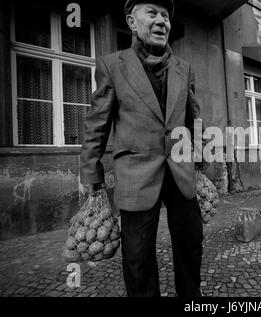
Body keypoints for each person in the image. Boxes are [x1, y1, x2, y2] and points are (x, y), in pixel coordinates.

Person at [80, 0, 206, 297]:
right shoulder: (112, 65)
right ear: (132, 22)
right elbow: (96, 123)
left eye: (166, 16)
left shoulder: (184, 68)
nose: (162, 21)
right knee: (137, 256)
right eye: (153, 13)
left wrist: (198, 159)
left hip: (180, 172)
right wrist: (90, 171)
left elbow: (194, 117)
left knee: (191, 243)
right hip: (137, 172)